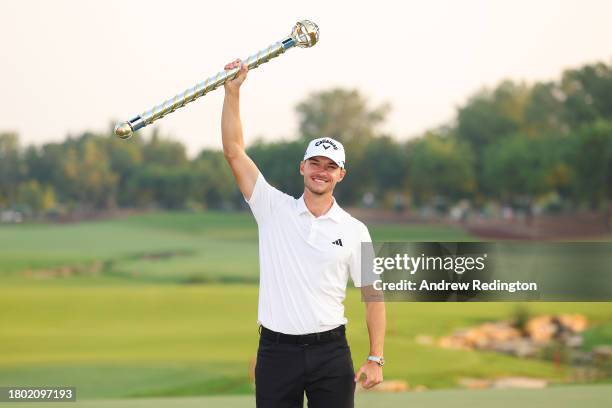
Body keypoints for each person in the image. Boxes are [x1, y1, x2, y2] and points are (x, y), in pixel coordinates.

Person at [221, 58, 386, 408]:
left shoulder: (357, 231)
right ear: (302, 167)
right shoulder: (272, 208)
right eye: (315, 164)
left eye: (330, 167)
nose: (321, 172)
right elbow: (234, 152)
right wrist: (233, 93)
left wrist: (376, 356)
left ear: (341, 174)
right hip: (277, 351)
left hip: (331, 352)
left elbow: (373, 295)